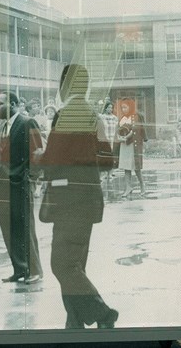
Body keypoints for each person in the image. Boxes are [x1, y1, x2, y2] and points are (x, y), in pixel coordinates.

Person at [40, 64, 118, 329]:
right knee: (75, 265)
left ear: (64, 85)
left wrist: (37, 158)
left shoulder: (65, 115)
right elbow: (108, 160)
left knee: (60, 264)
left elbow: (51, 160)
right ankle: (74, 322)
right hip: (89, 201)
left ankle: (104, 313)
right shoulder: (94, 116)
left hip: (67, 202)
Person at [0, 91, 45, 284]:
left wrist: (31, 178)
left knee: (25, 228)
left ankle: (35, 270)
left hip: (20, 183)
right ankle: (20, 268)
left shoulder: (26, 122)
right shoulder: (2, 126)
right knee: (9, 229)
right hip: (2, 184)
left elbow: (38, 152)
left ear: (13, 104)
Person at [117, 101, 148, 198]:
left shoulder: (135, 117)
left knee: (136, 167)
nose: (123, 110)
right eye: (122, 108)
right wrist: (119, 137)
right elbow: (118, 129)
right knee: (126, 167)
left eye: (125, 107)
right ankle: (128, 187)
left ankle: (142, 186)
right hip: (124, 144)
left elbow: (135, 130)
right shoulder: (122, 118)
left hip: (133, 145)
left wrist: (126, 137)